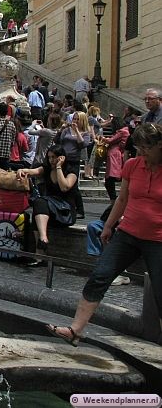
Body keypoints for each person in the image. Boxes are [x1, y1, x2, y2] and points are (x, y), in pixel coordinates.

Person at [45, 124, 162, 347]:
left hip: (158, 239)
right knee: (100, 275)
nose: (142, 153)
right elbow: (122, 199)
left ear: (160, 145)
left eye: (146, 148)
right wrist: (108, 226)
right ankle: (75, 330)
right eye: (138, 148)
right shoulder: (132, 166)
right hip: (128, 233)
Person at [16, 145, 78, 256]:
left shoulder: (71, 172)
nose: (51, 160)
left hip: (65, 212)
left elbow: (65, 187)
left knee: (40, 203)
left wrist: (59, 167)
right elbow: (32, 171)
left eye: (54, 157)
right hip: (50, 210)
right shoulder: (46, 169)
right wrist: (21, 170)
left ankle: (42, 242)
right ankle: (41, 248)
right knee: (38, 208)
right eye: (49, 157)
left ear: (61, 157)